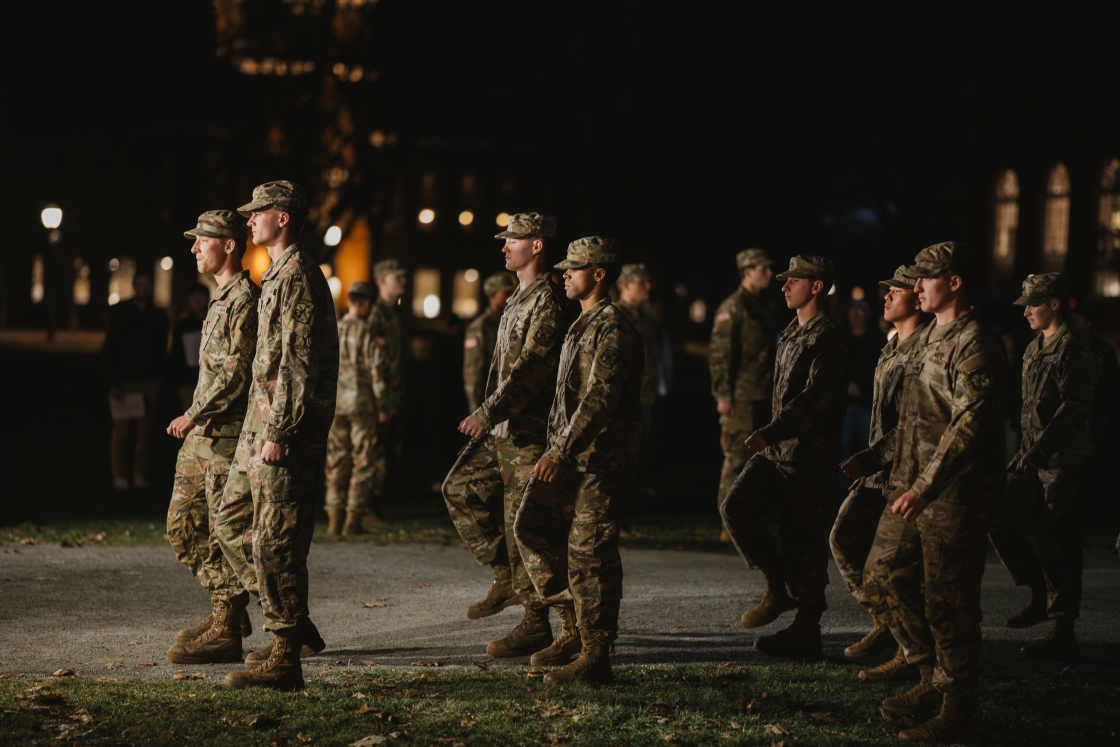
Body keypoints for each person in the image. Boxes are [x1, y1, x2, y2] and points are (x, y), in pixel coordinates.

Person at [862, 242, 1007, 742]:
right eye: (917, 279)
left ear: (955, 281)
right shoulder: (926, 339)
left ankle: (956, 705)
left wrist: (926, 486)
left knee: (950, 602)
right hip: (910, 487)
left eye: (926, 278)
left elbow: (969, 425)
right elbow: (912, 418)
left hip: (952, 496)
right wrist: (879, 458)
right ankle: (927, 672)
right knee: (880, 576)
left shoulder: (976, 343)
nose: (916, 286)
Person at [215, 181, 339, 690]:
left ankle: (286, 655)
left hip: (283, 431)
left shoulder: (300, 277)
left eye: (257, 212)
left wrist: (282, 430)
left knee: (277, 544)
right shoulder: (279, 274)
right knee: (229, 521)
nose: (249, 221)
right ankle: (289, 620)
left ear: (282, 217)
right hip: (258, 426)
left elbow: (299, 363)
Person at [514, 236, 644, 684]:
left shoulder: (614, 329)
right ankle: (572, 626)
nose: (564, 273)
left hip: (600, 461)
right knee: (529, 525)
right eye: (564, 267)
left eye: (575, 267)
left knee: (591, 554)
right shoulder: (581, 323)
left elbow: (598, 401)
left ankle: (596, 653)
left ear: (600, 273)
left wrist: (559, 451)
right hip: (572, 457)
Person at [442, 213, 571, 648]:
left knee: (526, 528)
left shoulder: (548, 301)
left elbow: (531, 371)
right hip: (503, 430)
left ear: (536, 245)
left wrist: (487, 411)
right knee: (459, 488)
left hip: (527, 432)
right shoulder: (518, 298)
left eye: (512, 239)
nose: (504, 247)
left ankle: (546, 622)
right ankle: (506, 578)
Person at [719, 255, 847, 659]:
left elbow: (813, 401)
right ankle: (777, 588)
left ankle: (807, 630)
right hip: (778, 451)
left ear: (817, 286)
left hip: (809, 456)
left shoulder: (828, 337)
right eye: (784, 279)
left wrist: (772, 432)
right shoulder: (791, 333)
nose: (784, 286)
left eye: (794, 280)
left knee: (803, 544)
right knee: (735, 506)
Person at [163, 210, 260, 664]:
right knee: (182, 527)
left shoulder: (245, 300)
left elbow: (238, 374)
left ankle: (228, 623)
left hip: (223, 434)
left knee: (224, 532)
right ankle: (228, 605)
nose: (194, 248)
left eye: (202, 240)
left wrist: (192, 412)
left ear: (229, 245)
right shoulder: (218, 297)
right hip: (201, 435)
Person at [988, 273, 1100, 659]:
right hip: (1032, 458)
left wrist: (1039, 451)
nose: (1027, 311)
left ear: (1055, 303)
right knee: (995, 511)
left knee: (1058, 540)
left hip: (1066, 463)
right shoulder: (1034, 348)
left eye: (1033, 303)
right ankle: (1038, 591)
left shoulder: (1077, 351)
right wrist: (1026, 452)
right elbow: (1029, 410)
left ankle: (1063, 629)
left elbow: (1073, 411)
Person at [833, 265, 927, 679]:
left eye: (895, 291)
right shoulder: (891, 347)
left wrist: (873, 457)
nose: (885, 298)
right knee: (844, 537)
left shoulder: (925, 350)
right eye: (885, 292)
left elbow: (914, 424)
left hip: (905, 472)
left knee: (889, 567)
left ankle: (913, 651)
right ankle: (886, 622)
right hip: (878, 471)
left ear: (917, 297)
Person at [709, 249, 776, 541]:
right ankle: (728, 523)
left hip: (760, 394)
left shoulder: (758, 306)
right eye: (764, 269)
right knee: (736, 457)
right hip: (740, 398)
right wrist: (723, 395)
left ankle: (745, 519)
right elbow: (721, 355)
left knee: (754, 461)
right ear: (748, 271)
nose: (770, 274)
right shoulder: (732, 307)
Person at [324, 280, 382, 537]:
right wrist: (383, 404)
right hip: (361, 404)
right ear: (368, 303)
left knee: (336, 461)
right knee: (363, 461)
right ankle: (352, 521)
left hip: (336, 404)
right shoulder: (368, 331)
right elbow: (377, 370)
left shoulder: (333, 329)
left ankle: (334, 522)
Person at [104, 269, 169, 490]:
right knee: (121, 431)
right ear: (134, 285)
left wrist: (160, 376)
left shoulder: (158, 315)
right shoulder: (121, 311)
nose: (143, 288)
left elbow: (161, 349)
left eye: (147, 284)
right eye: (139, 283)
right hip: (125, 378)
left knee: (145, 431)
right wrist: (113, 382)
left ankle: (139, 474)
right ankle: (119, 474)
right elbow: (111, 347)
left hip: (150, 379)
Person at [361, 258, 409, 529]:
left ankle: (375, 505)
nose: (403, 280)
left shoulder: (397, 314)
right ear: (382, 281)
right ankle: (365, 508)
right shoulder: (375, 314)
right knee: (373, 453)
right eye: (397, 276)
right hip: (377, 396)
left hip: (395, 394)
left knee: (388, 452)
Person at [841, 298, 886, 466]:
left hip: (866, 403)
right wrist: (845, 386)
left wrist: (862, 388)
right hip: (843, 403)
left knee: (867, 448)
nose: (856, 315)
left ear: (867, 315)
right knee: (841, 447)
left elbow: (881, 370)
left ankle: (867, 488)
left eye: (861, 312)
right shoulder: (841, 337)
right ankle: (840, 489)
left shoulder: (877, 340)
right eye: (853, 311)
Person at [464, 272, 516, 413]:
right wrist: (476, 411)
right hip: (488, 404)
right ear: (492, 295)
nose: (511, 296)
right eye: (506, 292)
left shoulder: (510, 322)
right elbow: (473, 371)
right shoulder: (480, 327)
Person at [169, 284, 210, 412]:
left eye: (201, 297)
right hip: (188, 381)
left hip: (212, 380)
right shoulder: (183, 325)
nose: (197, 300)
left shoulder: (214, 321)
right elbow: (176, 354)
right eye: (194, 297)